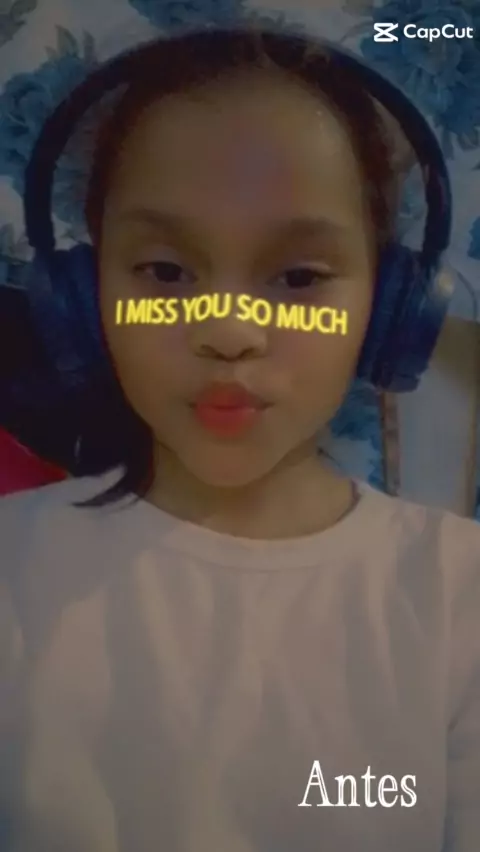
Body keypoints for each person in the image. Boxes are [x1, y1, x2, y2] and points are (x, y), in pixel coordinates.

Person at [0, 27, 479, 852]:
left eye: (298, 278)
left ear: (388, 307)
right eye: (165, 273)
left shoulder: (459, 595)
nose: (228, 330)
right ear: (80, 296)